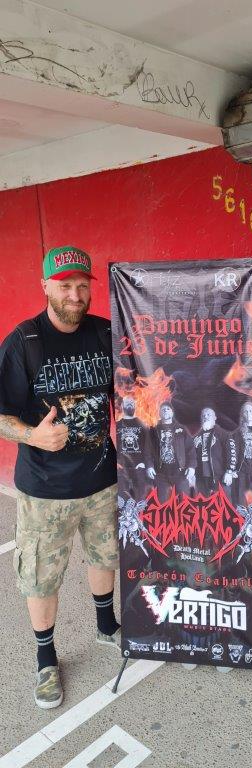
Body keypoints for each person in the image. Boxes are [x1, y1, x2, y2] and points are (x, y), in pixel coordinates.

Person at [0, 246, 120, 710]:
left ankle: (107, 627)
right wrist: (32, 435)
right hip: (45, 490)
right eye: (65, 285)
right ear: (46, 286)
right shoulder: (24, 341)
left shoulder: (106, 333)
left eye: (82, 285)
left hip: (102, 479)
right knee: (41, 577)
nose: (75, 294)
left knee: (105, 555)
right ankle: (46, 658)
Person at [144, 402, 196, 501]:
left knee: (185, 501)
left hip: (180, 472)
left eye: (168, 409)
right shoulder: (153, 430)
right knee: (161, 502)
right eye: (163, 409)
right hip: (160, 474)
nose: (166, 411)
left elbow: (191, 449)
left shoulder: (181, 429)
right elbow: (148, 451)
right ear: (159, 413)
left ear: (172, 413)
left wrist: (191, 466)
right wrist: (149, 466)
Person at [193, 407, 235, 496]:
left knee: (223, 502)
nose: (206, 417)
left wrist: (229, 471)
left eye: (208, 414)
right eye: (203, 415)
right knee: (203, 503)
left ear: (215, 417)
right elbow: (191, 455)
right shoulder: (196, 437)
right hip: (201, 476)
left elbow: (231, 453)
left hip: (220, 475)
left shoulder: (224, 434)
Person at [229, 401, 252, 507]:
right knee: (240, 499)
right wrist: (231, 470)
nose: (248, 413)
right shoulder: (236, 433)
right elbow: (232, 452)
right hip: (242, 468)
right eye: (246, 411)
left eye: (250, 411)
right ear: (242, 414)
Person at [116, 395, 148, 500]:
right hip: (122, 468)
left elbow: (148, 447)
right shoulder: (117, 425)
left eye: (132, 403)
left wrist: (144, 463)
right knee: (123, 499)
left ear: (135, 406)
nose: (130, 404)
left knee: (140, 498)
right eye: (127, 403)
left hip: (139, 467)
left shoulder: (143, 425)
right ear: (122, 406)